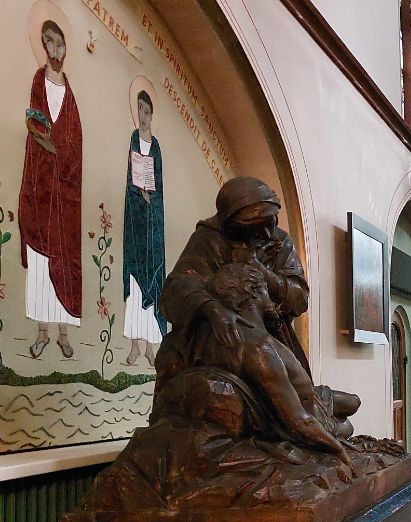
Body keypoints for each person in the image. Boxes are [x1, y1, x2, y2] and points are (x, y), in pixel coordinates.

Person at [156, 176, 358, 433]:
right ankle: (320, 417)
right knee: (331, 420)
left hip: (271, 336)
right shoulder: (209, 239)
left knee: (337, 405)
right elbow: (177, 287)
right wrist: (210, 307)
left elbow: (299, 298)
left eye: (270, 222)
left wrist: (263, 272)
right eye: (255, 226)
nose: (266, 233)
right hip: (223, 340)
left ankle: (321, 410)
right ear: (232, 224)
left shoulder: (279, 241)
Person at [201, 259, 348, 461]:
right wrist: (339, 450)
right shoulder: (260, 348)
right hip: (303, 421)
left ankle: (329, 420)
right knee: (348, 423)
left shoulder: (228, 339)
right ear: (253, 291)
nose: (269, 295)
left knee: (352, 402)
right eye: (265, 289)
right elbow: (299, 421)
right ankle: (331, 427)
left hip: (304, 404)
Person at [19, 19, 83, 359]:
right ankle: (42, 333)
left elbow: (75, 138)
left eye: (58, 44)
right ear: (43, 47)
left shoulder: (69, 93)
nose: (54, 50)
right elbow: (33, 121)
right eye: (48, 44)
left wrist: (64, 155)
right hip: (42, 184)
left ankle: (63, 333)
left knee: (64, 255)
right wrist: (46, 141)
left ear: (65, 47)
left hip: (65, 191)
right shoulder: (38, 81)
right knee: (42, 258)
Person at [122, 89, 167, 367]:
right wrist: (139, 194)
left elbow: (159, 183)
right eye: (138, 108)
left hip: (153, 224)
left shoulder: (157, 146)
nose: (142, 114)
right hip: (136, 223)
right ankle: (134, 346)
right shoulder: (133, 140)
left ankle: (151, 345)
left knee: (154, 280)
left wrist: (152, 196)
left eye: (146, 109)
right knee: (136, 283)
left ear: (152, 113)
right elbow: (131, 178)